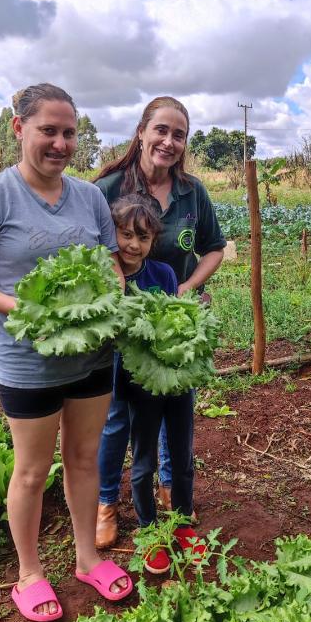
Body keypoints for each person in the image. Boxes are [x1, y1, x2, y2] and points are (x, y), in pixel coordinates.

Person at [0, 83, 132, 622]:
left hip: (91, 357)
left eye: (69, 133)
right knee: (29, 471)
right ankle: (28, 572)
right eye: (49, 130)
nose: (61, 143)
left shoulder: (90, 197)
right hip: (28, 361)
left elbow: (110, 265)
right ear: (19, 128)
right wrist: (16, 306)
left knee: (83, 459)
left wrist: (112, 296)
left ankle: (87, 557)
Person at [94, 96, 226, 548]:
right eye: (161, 131)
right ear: (142, 132)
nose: (169, 142)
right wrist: (117, 286)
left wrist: (185, 292)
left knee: (174, 403)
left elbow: (213, 248)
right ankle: (106, 503)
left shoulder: (192, 193)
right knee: (117, 418)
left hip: (174, 324)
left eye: (179, 135)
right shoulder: (109, 188)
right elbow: (88, 245)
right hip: (120, 325)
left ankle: (171, 489)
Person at [110, 194, 203, 573]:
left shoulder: (164, 274)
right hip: (139, 384)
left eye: (143, 238)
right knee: (143, 460)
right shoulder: (110, 277)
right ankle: (149, 531)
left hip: (176, 379)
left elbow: (176, 317)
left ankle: (180, 523)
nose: (133, 244)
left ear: (153, 241)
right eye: (126, 234)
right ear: (113, 233)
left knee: (181, 455)